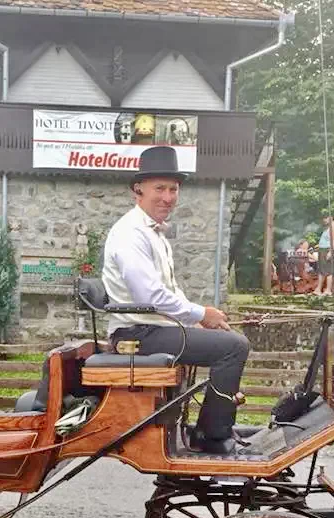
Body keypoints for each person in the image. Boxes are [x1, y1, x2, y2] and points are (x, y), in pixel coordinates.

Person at [102, 146, 251, 454]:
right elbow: (150, 297)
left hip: (153, 329)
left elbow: (169, 291)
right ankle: (212, 436)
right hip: (136, 335)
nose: (168, 197)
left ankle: (205, 429)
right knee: (234, 347)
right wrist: (200, 313)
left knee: (229, 341)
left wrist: (198, 320)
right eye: (160, 188)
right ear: (138, 189)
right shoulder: (130, 233)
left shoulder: (154, 234)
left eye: (173, 189)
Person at [313, 214, 334, 296]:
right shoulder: (328, 228)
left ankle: (328, 290)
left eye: (326, 218)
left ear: (331, 218)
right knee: (321, 270)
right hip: (322, 250)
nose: (324, 220)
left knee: (328, 270)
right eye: (324, 218)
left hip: (328, 250)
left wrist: (330, 252)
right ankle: (318, 289)